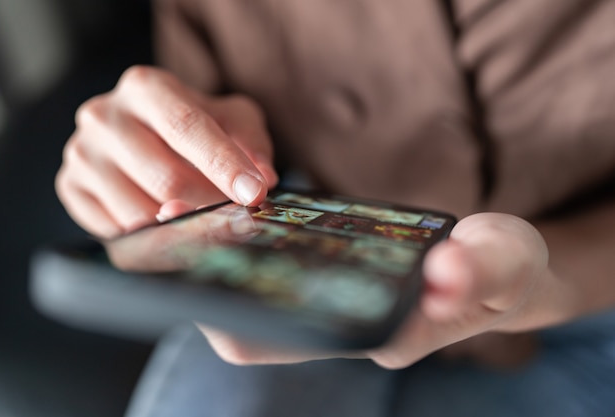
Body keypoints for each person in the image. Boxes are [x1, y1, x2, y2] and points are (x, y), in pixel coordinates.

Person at [55, 0, 615, 416]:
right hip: (297, 266)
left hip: (591, 311)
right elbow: (200, 119)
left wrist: (549, 282)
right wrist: (153, 161)